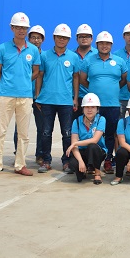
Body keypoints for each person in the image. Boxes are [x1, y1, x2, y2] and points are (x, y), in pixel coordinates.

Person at [0, 12, 41, 178]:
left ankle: (20, 164)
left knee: (23, 134)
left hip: (25, 96)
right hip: (5, 96)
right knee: (0, 132)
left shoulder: (33, 50)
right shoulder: (3, 48)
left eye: (24, 28)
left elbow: (36, 71)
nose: (21, 30)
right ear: (12, 28)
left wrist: (24, 81)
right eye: (18, 27)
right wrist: (6, 85)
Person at [80, 31, 127, 175]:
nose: (104, 46)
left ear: (111, 45)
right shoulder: (88, 60)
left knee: (110, 134)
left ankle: (108, 160)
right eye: (101, 43)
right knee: (93, 133)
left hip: (112, 105)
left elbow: (123, 80)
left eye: (107, 43)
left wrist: (111, 89)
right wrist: (95, 89)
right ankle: (92, 162)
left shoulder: (119, 61)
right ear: (97, 44)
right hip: (94, 106)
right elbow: (83, 79)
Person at [35, 24, 79, 173]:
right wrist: (37, 96)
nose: (62, 40)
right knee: (46, 132)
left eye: (65, 38)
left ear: (69, 40)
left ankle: (66, 161)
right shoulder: (44, 56)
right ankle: (46, 160)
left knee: (67, 133)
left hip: (65, 101)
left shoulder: (73, 57)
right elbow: (40, 76)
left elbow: (76, 77)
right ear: (54, 38)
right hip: (47, 100)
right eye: (59, 37)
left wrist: (75, 98)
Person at [14, 24, 45, 164]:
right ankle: (18, 154)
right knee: (20, 128)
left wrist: (40, 95)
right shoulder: (23, 53)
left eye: (38, 38)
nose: (36, 40)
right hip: (23, 95)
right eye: (33, 37)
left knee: (42, 127)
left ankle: (40, 154)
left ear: (42, 40)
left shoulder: (45, 56)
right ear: (29, 38)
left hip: (40, 98)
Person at [65, 93, 106, 185]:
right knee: (74, 165)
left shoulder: (101, 120)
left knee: (92, 146)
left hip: (97, 151)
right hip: (82, 152)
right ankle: (84, 169)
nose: (89, 110)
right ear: (83, 108)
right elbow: (74, 146)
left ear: (97, 109)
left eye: (93, 107)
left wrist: (75, 143)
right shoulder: (76, 121)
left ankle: (97, 173)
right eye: (87, 107)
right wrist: (80, 161)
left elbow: (95, 140)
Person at [73, 23, 97, 121]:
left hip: (93, 97)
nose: (84, 39)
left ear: (92, 39)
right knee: (74, 126)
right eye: (81, 36)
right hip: (74, 98)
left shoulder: (98, 55)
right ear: (77, 39)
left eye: (87, 36)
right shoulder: (71, 55)